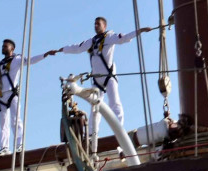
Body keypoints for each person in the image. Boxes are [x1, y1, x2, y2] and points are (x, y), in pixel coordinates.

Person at [57, 17, 152, 149]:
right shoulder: (91, 41)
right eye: (95, 24)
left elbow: (124, 38)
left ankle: (119, 128)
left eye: (98, 24)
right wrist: (61, 50)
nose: (96, 26)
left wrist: (139, 31)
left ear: (105, 26)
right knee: (95, 107)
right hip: (96, 79)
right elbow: (77, 48)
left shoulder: (110, 37)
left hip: (109, 77)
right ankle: (91, 134)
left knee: (114, 102)